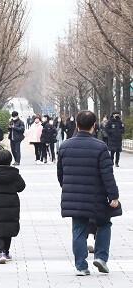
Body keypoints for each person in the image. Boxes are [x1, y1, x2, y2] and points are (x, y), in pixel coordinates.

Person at [57, 110, 121, 276]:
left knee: (78, 229)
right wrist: (113, 195)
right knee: (104, 224)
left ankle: (80, 266)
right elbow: (107, 175)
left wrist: (68, 187)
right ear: (94, 126)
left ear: (77, 125)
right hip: (97, 196)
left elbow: (60, 174)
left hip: (74, 195)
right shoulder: (100, 147)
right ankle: (101, 257)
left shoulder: (65, 146)